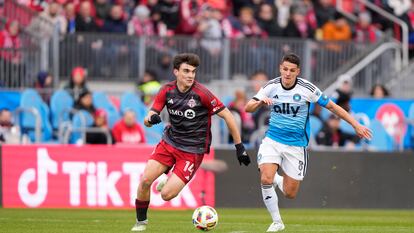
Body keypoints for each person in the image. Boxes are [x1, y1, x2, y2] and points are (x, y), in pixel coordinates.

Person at [245, 53, 372, 232]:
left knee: (290, 193)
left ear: (298, 71)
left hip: (296, 145)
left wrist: (356, 124)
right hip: (272, 140)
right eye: (285, 69)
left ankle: (278, 180)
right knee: (265, 178)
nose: (287, 73)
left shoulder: (307, 89)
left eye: (292, 70)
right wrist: (259, 102)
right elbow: (247, 107)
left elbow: (332, 107)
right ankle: (277, 222)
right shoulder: (271, 86)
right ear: (280, 68)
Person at [131, 53, 251, 231]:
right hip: (169, 142)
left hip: (192, 150)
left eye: (193, 72)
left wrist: (239, 147)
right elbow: (147, 119)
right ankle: (141, 223)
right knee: (145, 181)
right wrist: (152, 119)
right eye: (186, 71)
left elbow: (228, 115)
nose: (190, 75)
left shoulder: (202, 94)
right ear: (176, 72)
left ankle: (169, 175)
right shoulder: (166, 90)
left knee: (166, 195)